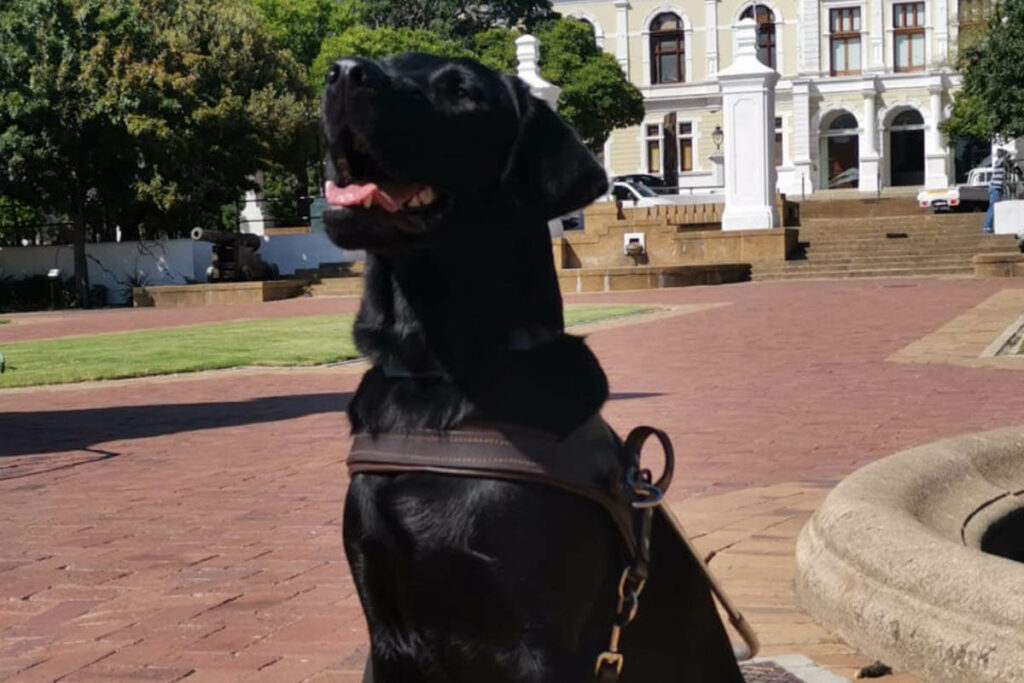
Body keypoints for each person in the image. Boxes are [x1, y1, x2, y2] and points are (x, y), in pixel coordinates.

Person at [983, 148, 1007, 234]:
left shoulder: (999, 162)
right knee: (992, 207)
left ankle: (989, 226)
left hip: (996, 188)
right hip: (995, 188)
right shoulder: (999, 162)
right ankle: (987, 226)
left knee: (993, 207)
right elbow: (1004, 159)